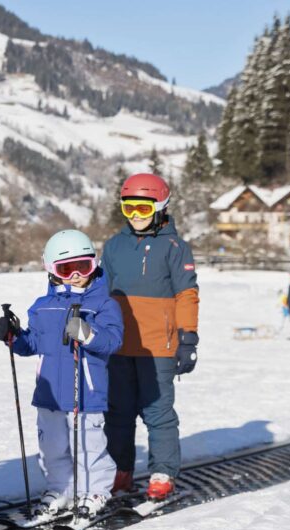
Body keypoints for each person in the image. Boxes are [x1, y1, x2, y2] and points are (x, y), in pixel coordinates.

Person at [0, 230, 123, 522]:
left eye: (84, 266)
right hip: (50, 391)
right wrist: (13, 337)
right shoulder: (43, 306)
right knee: (51, 446)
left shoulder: (104, 304)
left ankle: (95, 491)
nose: (76, 274)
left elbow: (113, 341)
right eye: (66, 269)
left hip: (86, 393)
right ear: (52, 270)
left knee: (88, 446)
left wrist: (88, 333)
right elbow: (34, 344)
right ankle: (60, 489)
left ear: (94, 264)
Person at [101, 173, 199, 500]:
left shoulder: (175, 247)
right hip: (118, 345)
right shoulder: (114, 246)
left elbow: (187, 293)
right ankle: (121, 470)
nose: (136, 217)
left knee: (157, 411)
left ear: (160, 206)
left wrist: (188, 337)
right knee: (118, 412)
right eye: (129, 209)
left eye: (143, 209)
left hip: (159, 345)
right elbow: (101, 293)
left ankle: (162, 471)